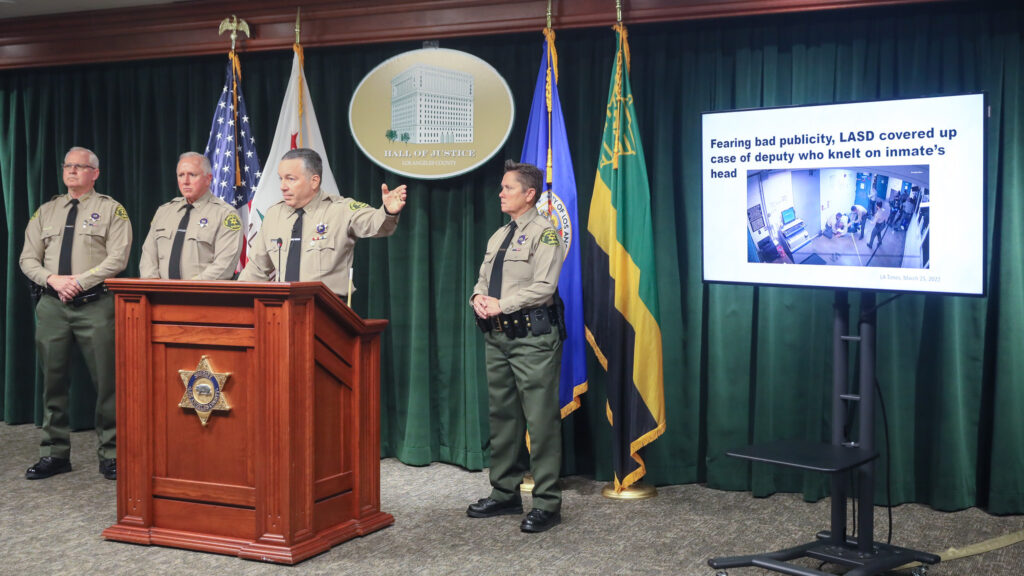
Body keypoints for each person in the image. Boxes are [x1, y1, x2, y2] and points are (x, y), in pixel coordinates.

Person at [19, 146, 132, 481]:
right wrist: (52, 279)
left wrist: (79, 282)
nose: (71, 171)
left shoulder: (112, 210)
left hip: (96, 306)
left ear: (94, 173)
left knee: (107, 383)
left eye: (79, 167)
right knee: (52, 383)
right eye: (67, 166)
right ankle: (54, 453)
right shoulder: (46, 211)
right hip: (53, 306)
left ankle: (111, 453)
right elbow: (28, 259)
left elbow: (118, 258)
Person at [467, 160, 565, 534]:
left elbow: (545, 286)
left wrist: (501, 305)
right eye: (501, 187)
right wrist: (477, 297)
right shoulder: (498, 236)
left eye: (508, 188)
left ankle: (547, 504)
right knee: (503, 418)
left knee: (540, 422)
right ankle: (505, 493)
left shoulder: (546, 233)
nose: (500, 193)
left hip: (533, 341)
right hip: (498, 337)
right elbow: (482, 278)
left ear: (530, 194)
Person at [238, 148, 407, 296]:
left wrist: (387, 212)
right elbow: (257, 269)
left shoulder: (340, 209)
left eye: (290, 179)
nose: (282, 186)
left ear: (314, 181)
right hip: (283, 311)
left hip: (327, 313)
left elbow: (376, 224)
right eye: (280, 179)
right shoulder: (274, 214)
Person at [139, 152, 242, 280]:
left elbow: (224, 266)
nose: (185, 181)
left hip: (203, 296)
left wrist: (189, 288)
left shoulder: (225, 215)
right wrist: (153, 287)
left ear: (208, 179)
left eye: (192, 175)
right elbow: (148, 256)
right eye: (181, 175)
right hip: (161, 296)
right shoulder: (163, 211)